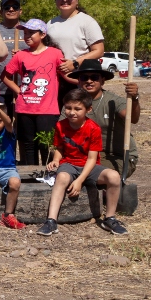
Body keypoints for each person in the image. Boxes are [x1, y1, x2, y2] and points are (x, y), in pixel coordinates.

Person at [37, 89, 127, 236]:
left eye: (77, 109)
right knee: (62, 177)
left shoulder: (93, 128)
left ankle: (110, 218)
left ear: (88, 109)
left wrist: (79, 181)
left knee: (114, 176)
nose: (72, 112)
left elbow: (92, 159)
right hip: (69, 164)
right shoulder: (61, 126)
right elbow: (59, 148)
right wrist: (55, 159)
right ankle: (51, 221)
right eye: (68, 108)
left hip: (88, 166)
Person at [2, 19, 64, 166]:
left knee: (46, 143)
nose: (27, 35)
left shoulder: (55, 53)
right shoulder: (20, 55)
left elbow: (65, 74)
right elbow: (5, 76)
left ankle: (48, 174)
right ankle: (32, 176)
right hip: (25, 108)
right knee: (28, 144)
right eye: (25, 32)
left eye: (31, 32)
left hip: (47, 109)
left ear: (43, 34)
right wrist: (19, 91)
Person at [71, 59, 140, 177]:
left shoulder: (113, 101)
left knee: (91, 173)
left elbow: (132, 118)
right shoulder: (72, 103)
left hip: (115, 155)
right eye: (84, 78)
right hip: (85, 154)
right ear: (78, 81)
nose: (89, 81)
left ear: (102, 80)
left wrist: (134, 99)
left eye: (94, 77)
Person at [47, 0, 105, 105]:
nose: (64, 0)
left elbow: (99, 50)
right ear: (55, 1)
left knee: (77, 114)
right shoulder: (50, 23)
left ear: (76, 0)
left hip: (78, 79)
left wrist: (74, 63)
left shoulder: (87, 21)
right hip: (54, 79)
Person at [0, 0, 27, 122]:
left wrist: (23, 55)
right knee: (1, 126)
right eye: (7, 7)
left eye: (15, 7)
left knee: (23, 128)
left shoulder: (29, 29)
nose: (11, 9)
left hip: (25, 89)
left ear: (20, 11)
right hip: (0, 88)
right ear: (1, 11)